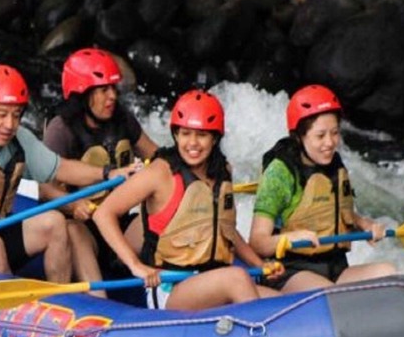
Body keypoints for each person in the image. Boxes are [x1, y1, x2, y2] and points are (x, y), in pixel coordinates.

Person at [0, 64, 138, 282]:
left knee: (54, 222)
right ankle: (6, 310)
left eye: (16, 114)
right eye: (1, 114)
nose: (9, 124)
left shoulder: (19, 139)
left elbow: (63, 168)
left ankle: (59, 303)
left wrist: (109, 173)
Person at [92, 89, 282, 311]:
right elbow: (103, 213)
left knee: (281, 302)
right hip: (170, 288)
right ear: (175, 135)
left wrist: (260, 265)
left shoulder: (223, 171)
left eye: (201, 135)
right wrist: (136, 266)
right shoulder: (159, 172)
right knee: (237, 279)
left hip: (213, 279)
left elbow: (226, 230)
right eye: (185, 134)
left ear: (214, 138)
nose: (192, 143)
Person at [247, 84, 396, 293]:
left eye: (334, 133)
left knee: (388, 273)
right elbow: (257, 242)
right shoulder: (280, 173)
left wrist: (365, 224)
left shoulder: (334, 165)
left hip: (336, 268)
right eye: (320, 135)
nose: (330, 142)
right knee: (332, 296)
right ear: (299, 136)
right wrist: (288, 238)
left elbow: (337, 213)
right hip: (291, 271)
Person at [41, 48, 159, 288]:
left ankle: (171, 291)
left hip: (119, 224)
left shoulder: (122, 119)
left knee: (161, 213)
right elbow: (44, 189)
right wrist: (73, 205)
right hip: (84, 228)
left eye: (114, 89)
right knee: (72, 230)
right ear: (82, 93)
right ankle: (97, 300)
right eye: (103, 90)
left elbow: (158, 159)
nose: (112, 96)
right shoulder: (61, 128)